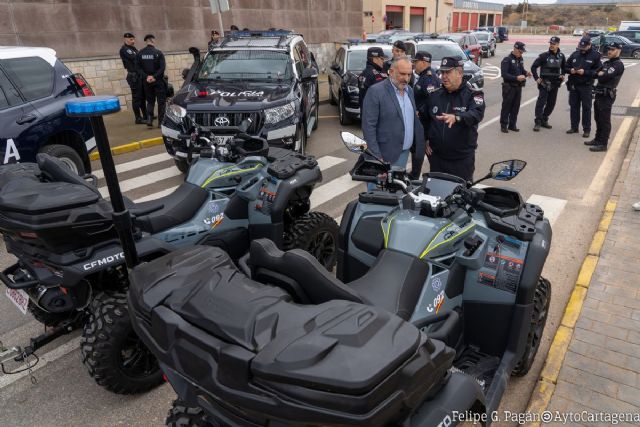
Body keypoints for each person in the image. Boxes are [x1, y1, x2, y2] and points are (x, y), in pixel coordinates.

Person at [361, 56, 425, 189]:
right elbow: (368, 127)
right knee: (377, 196)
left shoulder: (409, 91)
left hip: (403, 152)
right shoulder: (375, 91)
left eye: (409, 74)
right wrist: (377, 158)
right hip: (383, 156)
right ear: (391, 72)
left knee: (395, 191)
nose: (406, 78)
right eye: (402, 74)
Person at [421, 56, 485, 182]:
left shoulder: (473, 94)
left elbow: (477, 113)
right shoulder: (434, 95)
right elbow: (424, 119)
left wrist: (457, 117)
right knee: (437, 194)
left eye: (448, 72)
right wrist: (425, 139)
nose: (443, 76)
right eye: (442, 72)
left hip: (461, 160)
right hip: (437, 158)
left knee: (460, 197)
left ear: (459, 73)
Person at [584, 41, 625, 152]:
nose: (609, 51)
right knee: (597, 118)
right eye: (609, 49)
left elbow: (603, 78)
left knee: (604, 120)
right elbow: (595, 73)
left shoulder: (618, 65)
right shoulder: (607, 63)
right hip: (599, 94)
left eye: (612, 50)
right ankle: (597, 139)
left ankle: (603, 144)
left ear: (618, 51)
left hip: (607, 96)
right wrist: (600, 73)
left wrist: (601, 74)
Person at [411, 51, 441, 179]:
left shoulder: (429, 78)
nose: (414, 65)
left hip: (425, 125)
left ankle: (422, 177)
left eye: (415, 62)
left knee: (424, 152)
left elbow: (433, 101)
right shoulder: (423, 77)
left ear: (423, 62)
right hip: (420, 124)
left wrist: (420, 111)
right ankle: (414, 175)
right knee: (416, 150)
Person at [565, 37, 601, 138]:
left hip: (586, 86)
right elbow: (565, 66)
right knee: (574, 107)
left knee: (586, 108)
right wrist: (570, 70)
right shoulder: (575, 54)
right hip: (574, 85)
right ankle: (574, 127)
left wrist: (585, 72)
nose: (582, 49)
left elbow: (597, 72)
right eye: (581, 47)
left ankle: (586, 129)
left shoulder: (595, 56)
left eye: (584, 47)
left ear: (589, 45)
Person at [531, 36, 566, 131]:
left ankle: (544, 119)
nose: (551, 45)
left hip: (555, 84)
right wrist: (536, 78)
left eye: (554, 44)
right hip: (544, 83)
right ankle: (538, 121)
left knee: (551, 104)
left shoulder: (561, 56)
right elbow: (533, 67)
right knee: (541, 103)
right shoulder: (543, 56)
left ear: (558, 44)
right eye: (550, 43)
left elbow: (564, 67)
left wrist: (563, 74)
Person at [499, 41, 531, 133]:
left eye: (522, 52)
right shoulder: (507, 59)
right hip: (509, 87)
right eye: (520, 51)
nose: (521, 53)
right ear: (515, 49)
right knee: (506, 106)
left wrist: (526, 73)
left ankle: (512, 125)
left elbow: (521, 69)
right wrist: (516, 78)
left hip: (518, 87)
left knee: (515, 106)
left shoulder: (520, 59)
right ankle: (504, 125)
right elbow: (504, 74)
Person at [137, 34, 167, 128]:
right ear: (152, 40)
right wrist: (154, 76)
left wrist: (147, 77)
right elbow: (162, 68)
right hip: (158, 81)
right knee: (161, 101)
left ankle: (149, 119)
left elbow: (138, 68)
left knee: (150, 101)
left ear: (146, 41)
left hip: (146, 81)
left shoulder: (140, 53)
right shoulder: (158, 53)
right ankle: (160, 122)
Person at [119, 32, 146, 124]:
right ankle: (138, 118)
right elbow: (136, 59)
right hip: (133, 76)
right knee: (136, 98)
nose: (133, 41)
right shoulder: (125, 50)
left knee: (142, 96)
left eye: (133, 39)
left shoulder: (133, 49)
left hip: (139, 75)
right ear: (125, 39)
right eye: (131, 39)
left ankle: (146, 116)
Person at [358, 47, 388, 112]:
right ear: (375, 59)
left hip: (366, 111)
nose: (383, 61)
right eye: (382, 59)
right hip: (374, 112)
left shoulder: (364, 73)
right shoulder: (374, 74)